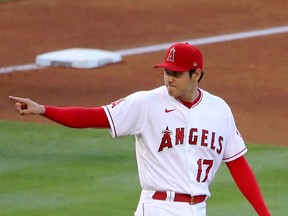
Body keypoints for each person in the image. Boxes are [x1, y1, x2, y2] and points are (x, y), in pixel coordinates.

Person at [9, 42, 271, 216]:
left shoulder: (220, 110)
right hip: (157, 207)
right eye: (167, 71)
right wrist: (44, 109)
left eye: (177, 73)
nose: (169, 77)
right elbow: (94, 116)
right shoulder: (147, 103)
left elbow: (238, 164)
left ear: (196, 74)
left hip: (198, 209)